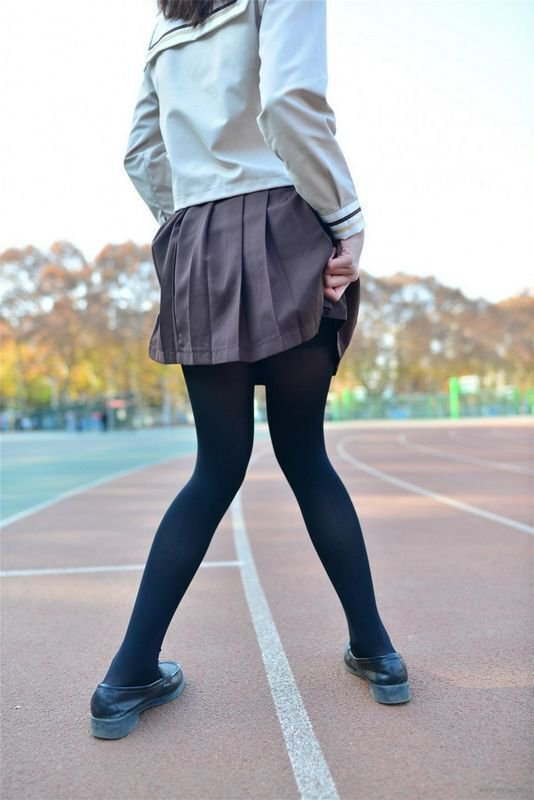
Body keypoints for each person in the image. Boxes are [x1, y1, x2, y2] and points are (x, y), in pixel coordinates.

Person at [90, 0, 411, 740]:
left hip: (197, 238)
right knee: (305, 454)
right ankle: (377, 651)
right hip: (282, 224)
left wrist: (196, 222)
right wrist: (348, 219)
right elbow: (290, 102)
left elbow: (140, 153)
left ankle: (126, 677)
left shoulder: (166, 23)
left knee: (215, 466)